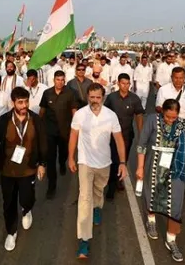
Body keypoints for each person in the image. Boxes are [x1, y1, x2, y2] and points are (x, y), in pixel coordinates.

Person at [68, 83, 128, 259]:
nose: (94, 101)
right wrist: (71, 157)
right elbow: (73, 136)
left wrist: (123, 162)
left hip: (104, 163)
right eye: (91, 97)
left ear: (103, 97)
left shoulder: (111, 116)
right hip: (85, 162)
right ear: (87, 97)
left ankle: (97, 207)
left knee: (98, 191)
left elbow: (118, 139)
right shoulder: (80, 115)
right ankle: (84, 241)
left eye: (98, 97)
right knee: (84, 198)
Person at [0, 87, 48, 251]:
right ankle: (11, 232)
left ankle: (27, 210)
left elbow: (43, 142)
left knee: (27, 198)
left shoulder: (35, 119)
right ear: (13, 103)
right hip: (7, 171)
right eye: (20, 102)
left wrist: (42, 163)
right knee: (9, 203)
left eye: (26, 101)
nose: (24, 105)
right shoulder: (3, 120)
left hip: (28, 169)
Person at [136, 99, 185, 262]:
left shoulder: (182, 123)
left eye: (174, 117)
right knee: (152, 193)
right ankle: (151, 220)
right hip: (154, 163)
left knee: (176, 202)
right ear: (162, 112)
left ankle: (171, 239)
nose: (171, 120)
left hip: (175, 166)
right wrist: (140, 167)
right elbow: (142, 144)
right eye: (168, 116)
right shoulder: (152, 119)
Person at [103, 73, 144, 199]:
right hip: (111, 135)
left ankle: (118, 179)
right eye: (123, 83)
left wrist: (141, 134)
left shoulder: (134, 99)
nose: (125, 86)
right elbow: (104, 113)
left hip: (127, 135)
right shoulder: (111, 98)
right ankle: (111, 186)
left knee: (122, 159)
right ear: (118, 84)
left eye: (127, 84)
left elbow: (139, 116)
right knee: (112, 160)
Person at [39, 70, 78, 199]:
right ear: (54, 80)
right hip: (49, 132)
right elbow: (42, 111)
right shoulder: (47, 93)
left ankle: (62, 163)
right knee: (50, 159)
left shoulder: (70, 93)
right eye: (57, 80)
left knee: (63, 154)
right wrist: (38, 126)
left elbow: (74, 111)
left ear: (64, 80)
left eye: (62, 80)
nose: (60, 82)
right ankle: (51, 186)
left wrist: (77, 128)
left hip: (64, 131)